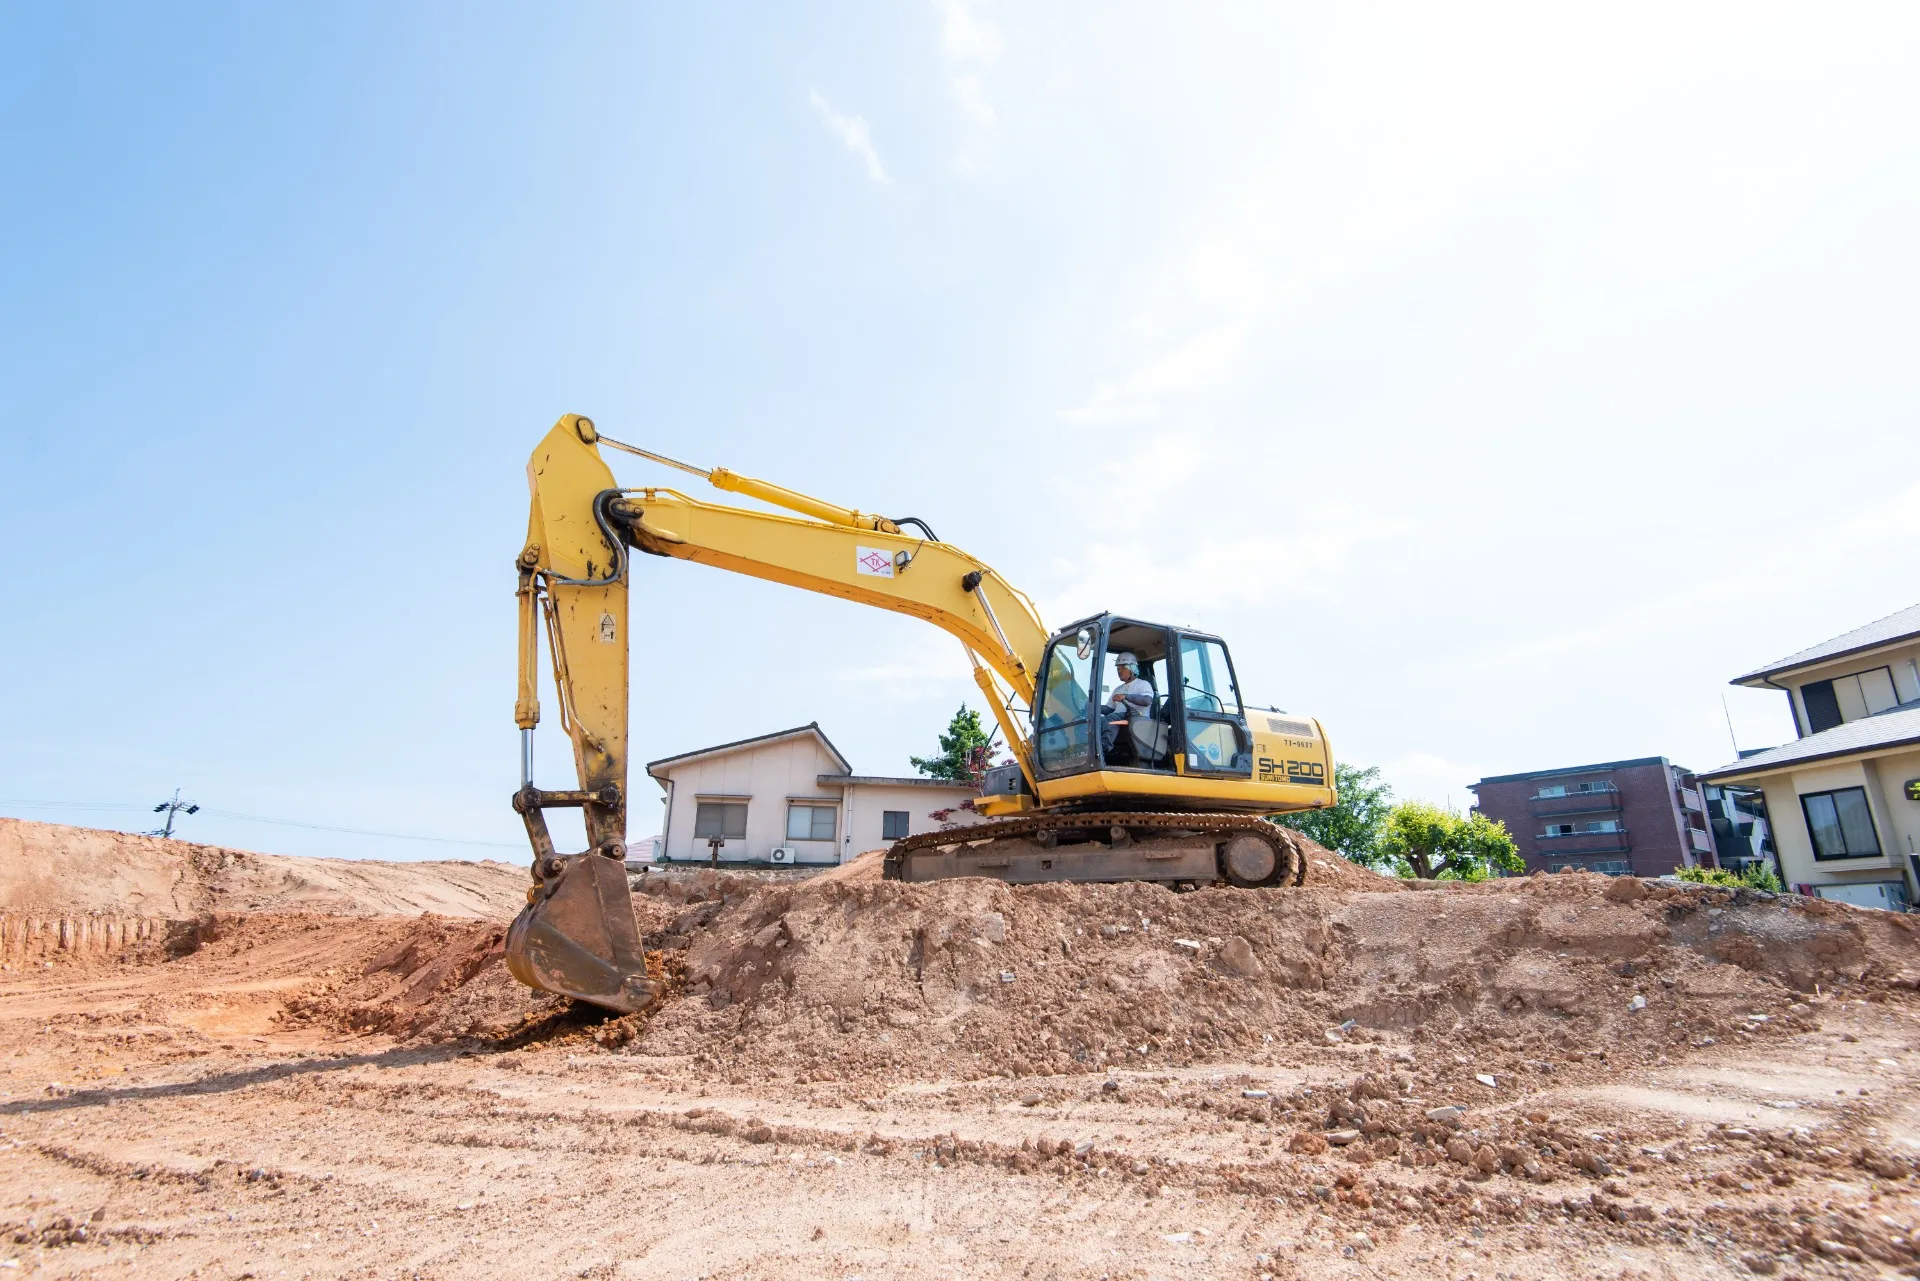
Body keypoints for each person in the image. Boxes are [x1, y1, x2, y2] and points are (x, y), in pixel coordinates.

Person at [1100, 652, 1156, 758]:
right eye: (1118, 668)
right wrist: (1094, 707)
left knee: (1112, 718)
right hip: (1119, 719)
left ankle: (1104, 747)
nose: (1119, 671)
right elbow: (1109, 709)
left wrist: (1125, 696)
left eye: (1123, 668)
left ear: (1132, 668)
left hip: (1137, 720)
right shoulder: (1118, 689)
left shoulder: (1143, 684)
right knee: (1096, 720)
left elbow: (1147, 701)